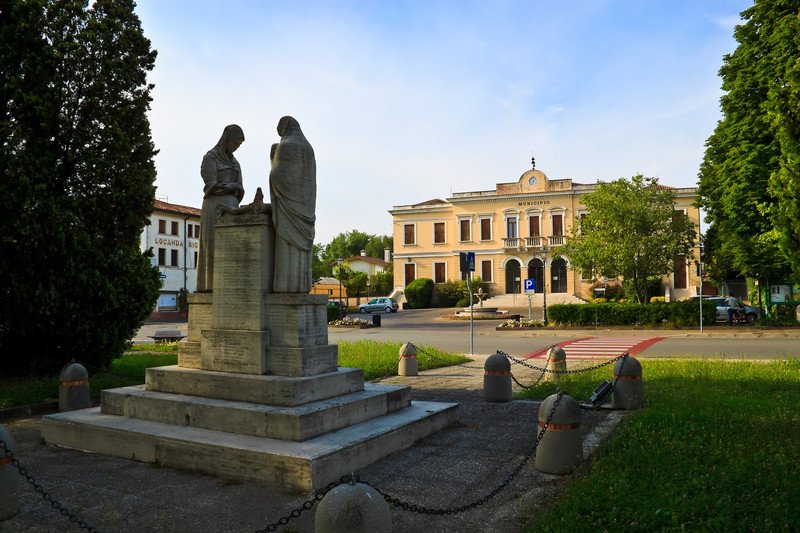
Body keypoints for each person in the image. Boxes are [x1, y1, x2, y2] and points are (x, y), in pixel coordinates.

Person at [269, 116, 316, 293]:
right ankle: (302, 286)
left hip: (288, 207)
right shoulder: (308, 148)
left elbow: (278, 176)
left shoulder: (285, 146)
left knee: (286, 244)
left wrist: (273, 159)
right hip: (306, 206)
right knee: (301, 251)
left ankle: (285, 287)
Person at [196, 124, 245, 292]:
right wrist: (230, 187)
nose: (236, 148)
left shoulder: (235, 163)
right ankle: (209, 286)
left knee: (231, 248)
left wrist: (233, 187)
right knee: (212, 246)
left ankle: (229, 287)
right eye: (234, 144)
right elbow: (211, 184)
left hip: (233, 208)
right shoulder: (210, 158)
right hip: (214, 207)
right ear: (226, 140)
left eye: (238, 145)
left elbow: (240, 187)